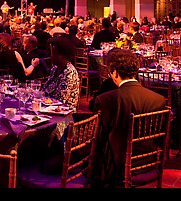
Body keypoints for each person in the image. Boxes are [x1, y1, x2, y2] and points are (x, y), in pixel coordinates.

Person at [90, 49, 166, 188]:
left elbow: (97, 138)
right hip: (149, 161)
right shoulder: (159, 99)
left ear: (114, 72)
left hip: (115, 166)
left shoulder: (106, 99)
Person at [41, 37, 80, 108]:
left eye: (54, 53)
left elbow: (61, 101)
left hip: (64, 114)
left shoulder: (69, 73)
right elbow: (45, 90)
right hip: (49, 109)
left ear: (62, 56)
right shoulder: (56, 68)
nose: (51, 56)